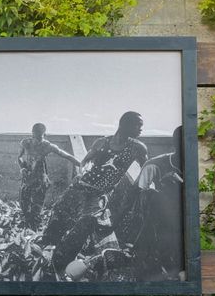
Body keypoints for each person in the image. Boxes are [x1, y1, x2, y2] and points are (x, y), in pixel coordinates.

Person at [42, 111, 148, 276]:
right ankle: (46, 259)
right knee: (57, 218)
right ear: (124, 124)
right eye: (138, 125)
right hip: (79, 187)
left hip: (98, 194)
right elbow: (85, 161)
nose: (141, 129)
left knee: (87, 222)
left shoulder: (137, 148)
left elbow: (145, 171)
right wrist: (82, 172)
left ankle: (60, 264)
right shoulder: (101, 143)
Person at [129, 126, 185, 280]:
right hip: (162, 222)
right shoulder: (155, 165)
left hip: (185, 222)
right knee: (155, 197)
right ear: (175, 142)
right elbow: (138, 196)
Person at [17, 123, 80, 229]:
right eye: (35, 136)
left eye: (39, 137)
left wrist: (81, 163)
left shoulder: (48, 146)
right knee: (24, 201)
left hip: (40, 177)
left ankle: (34, 225)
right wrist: (22, 168)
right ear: (32, 133)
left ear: (44, 134)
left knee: (37, 203)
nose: (37, 140)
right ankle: (26, 221)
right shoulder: (25, 143)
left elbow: (66, 155)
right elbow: (19, 157)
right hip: (27, 175)